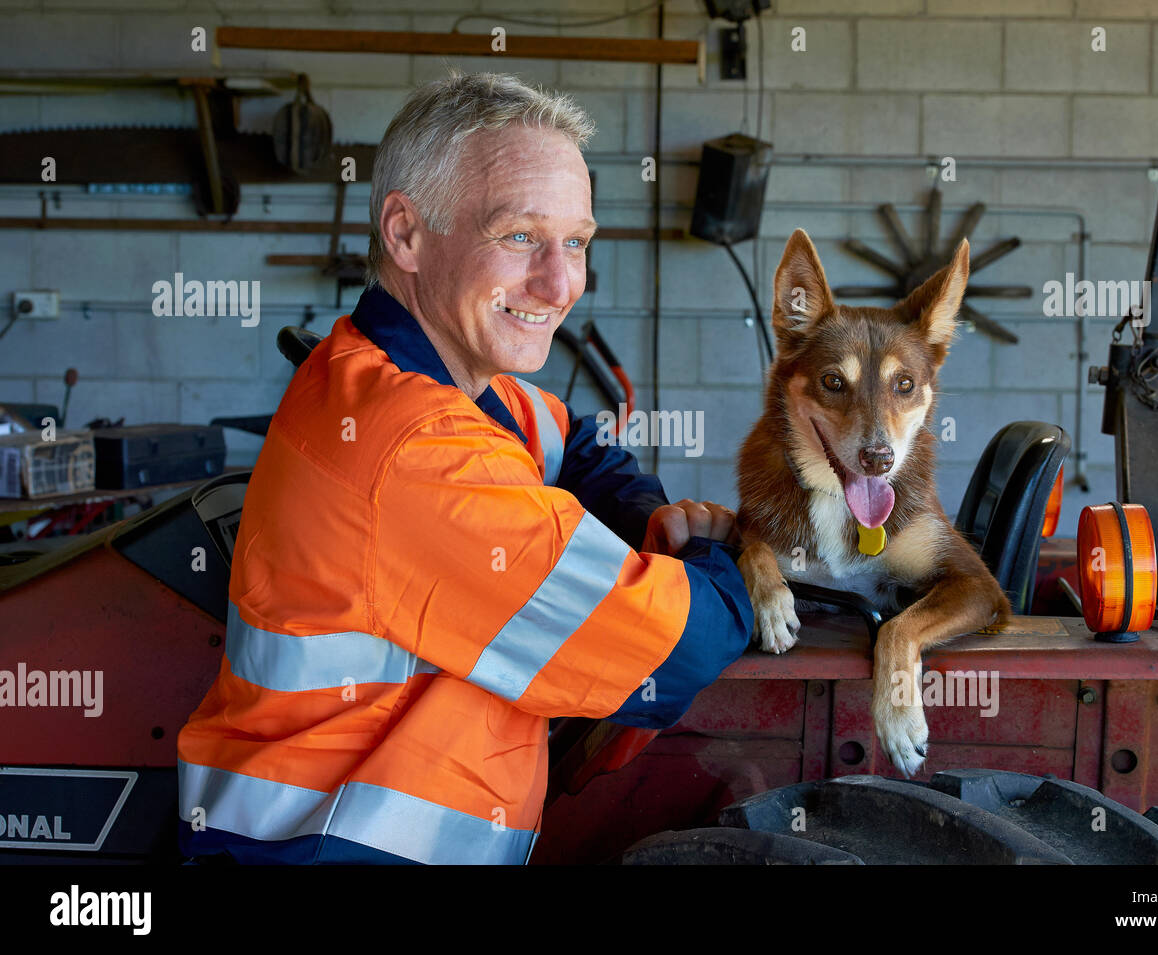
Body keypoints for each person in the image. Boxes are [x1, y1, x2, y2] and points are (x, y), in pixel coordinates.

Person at [175, 71, 754, 864]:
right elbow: (676, 644)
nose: (560, 284)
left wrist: (652, 517)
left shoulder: (415, 378)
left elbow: (574, 445)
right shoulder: (417, 447)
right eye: (519, 236)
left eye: (577, 242)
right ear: (406, 234)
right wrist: (732, 564)